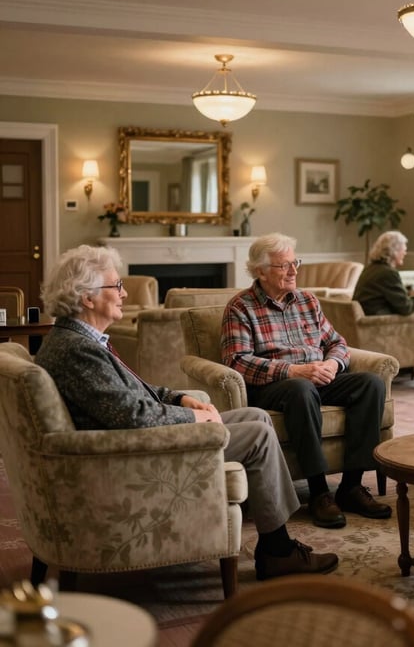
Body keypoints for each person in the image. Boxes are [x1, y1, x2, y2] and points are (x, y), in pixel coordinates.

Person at [34, 245, 337, 581]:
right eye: (116, 286)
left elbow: (133, 393)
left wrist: (179, 398)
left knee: (257, 416)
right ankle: (278, 552)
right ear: (87, 297)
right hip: (136, 451)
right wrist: (195, 419)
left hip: (139, 436)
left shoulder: (79, 339)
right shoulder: (77, 350)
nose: (124, 293)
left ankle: (274, 541)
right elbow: (134, 416)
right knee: (259, 433)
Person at [221, 232, 391, 530]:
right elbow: (237, 361)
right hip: (276, 386)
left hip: (317, 377)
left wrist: (331, 363)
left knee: (370, 384)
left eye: (294, 263)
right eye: (283, 266)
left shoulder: (307, 301)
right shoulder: (241, 307)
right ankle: (319, 492)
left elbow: (337, 342)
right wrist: (294, 371)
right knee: (302, 389)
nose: (293, 271)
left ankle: (351, 487)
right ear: (260, 271)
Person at [353, 231, 414, 316]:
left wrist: (411, 293)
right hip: (379, 322)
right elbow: (406, 308)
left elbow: (390, 296)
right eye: (404, 250)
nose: (405, 253)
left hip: (367, 320)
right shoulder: (388, 273)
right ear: (394, 251)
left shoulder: (370, 268)